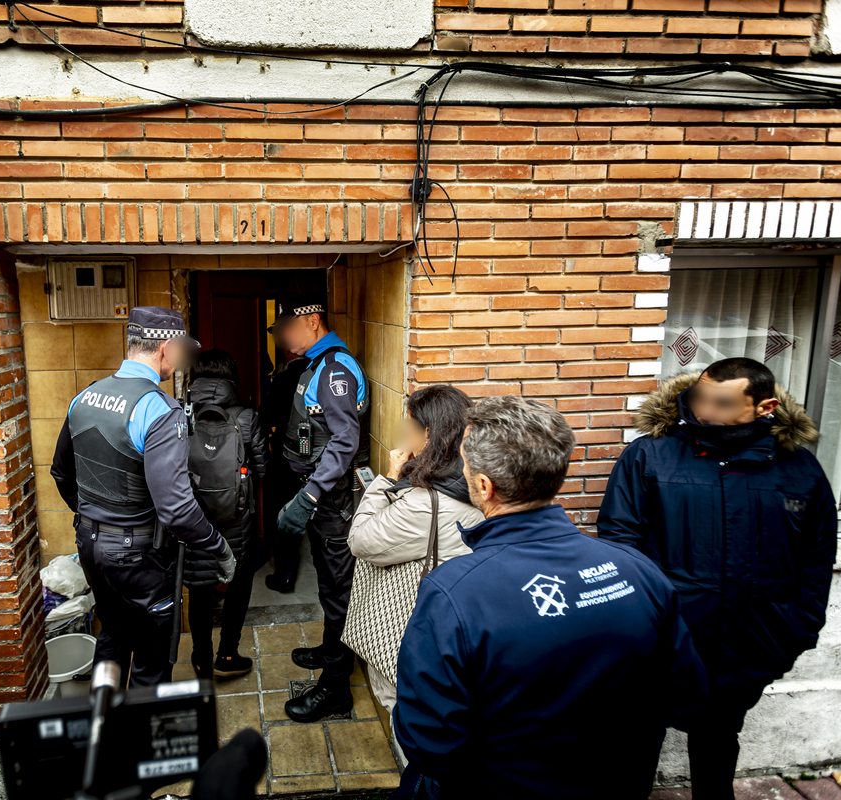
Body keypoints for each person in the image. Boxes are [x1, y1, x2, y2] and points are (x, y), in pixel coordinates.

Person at [393, 395, 708, 800]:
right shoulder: (637, 569)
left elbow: (428, 741)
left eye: (466, 464)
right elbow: (688, 699)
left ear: (484, 486)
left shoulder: (454, 591)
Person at [598, 357, 838, 799]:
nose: (704, 410)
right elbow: (618, 546)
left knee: (716, 746)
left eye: (721, 402)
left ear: (764, 407)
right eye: (699, 398)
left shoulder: (799, 469)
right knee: (634, 749)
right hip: (661, 642)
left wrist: (800, 627)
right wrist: (634, 627)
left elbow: (817, 556)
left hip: (751, 642)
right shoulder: (651, 454)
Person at [51, 307, 236, 688]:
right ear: (167, 349)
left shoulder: (84, 397)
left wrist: (95, 520)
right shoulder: (158, 409)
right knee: (151, 663)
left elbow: (61, 473)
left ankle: (104, 725)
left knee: (113, 633)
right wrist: (220, 549)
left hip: (89, 544)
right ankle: (139, 742)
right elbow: (177, 508)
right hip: (138, 556)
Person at [345, 385, 483, 714]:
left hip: (413, 634)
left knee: (407, 715)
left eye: (409, 427)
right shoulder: (475, 482)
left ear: (429, 433)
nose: (404, 434)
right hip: (458, 630)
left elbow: (361, 539)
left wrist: (389, 476)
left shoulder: (428, 503)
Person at [272, 296, 370, 722]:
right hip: (318, 495)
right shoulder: (316, 363)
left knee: (338, 593)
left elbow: (345, 442)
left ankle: (335, 689)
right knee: (329, 585)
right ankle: (331, 651)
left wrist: (309, 497)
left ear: (311, 320)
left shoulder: (335, 371)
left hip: (329, 500)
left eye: (287, 329)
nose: (283, 339)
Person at [184, 349, 268, 679]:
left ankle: (202, 659)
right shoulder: (246, 417)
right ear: (231, 376)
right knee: (238, 585)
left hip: (193, 521)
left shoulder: (182, 415)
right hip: (237, 522)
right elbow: (263, 467)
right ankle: (227, 655)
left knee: (200, 590)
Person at [260, 352, 308, 593]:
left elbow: (265, 415)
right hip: (316, 456)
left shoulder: (285, 378)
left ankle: (284, 575)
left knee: (281, 511)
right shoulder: (319, 373)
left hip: (286, 454)